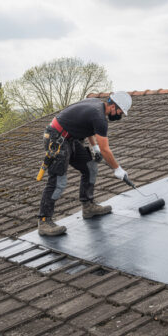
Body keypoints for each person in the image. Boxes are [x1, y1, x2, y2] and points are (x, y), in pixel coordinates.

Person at [37, 92, 132, 236]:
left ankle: (88, 207)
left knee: (90, 166)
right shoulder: (99, 117)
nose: (120, 115)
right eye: (120, 112)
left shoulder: (95, 104)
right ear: (113, 106)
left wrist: (94, 148)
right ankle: (44, 221)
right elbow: (106, 150)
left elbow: (87, 126)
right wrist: (117, 169)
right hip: (56, 138)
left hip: (69, 138)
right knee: (58, 181)